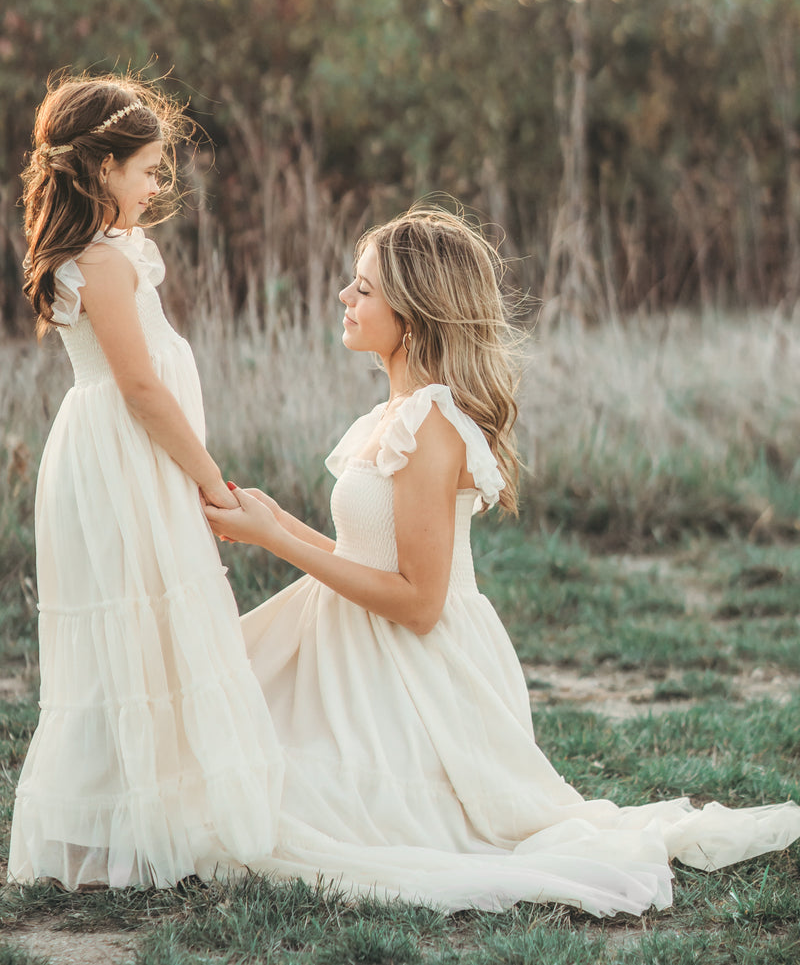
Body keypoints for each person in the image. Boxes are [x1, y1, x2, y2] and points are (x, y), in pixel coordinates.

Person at [205, 207, 800, 918]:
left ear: (414, 310)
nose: (344, 298)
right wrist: (277, 521)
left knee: (294, 814)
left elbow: (420, 602)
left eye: (363, 288)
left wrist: (279, 541)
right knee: (226, 766)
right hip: (358, 654)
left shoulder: (431, 425)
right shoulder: (392, 413)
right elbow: (373, 558)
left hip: (415, 676)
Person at [9, 73, 283, 890]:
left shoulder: (111, 253)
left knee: (148, 628)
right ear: (101, 169)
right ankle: (126, 831)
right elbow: (140, 388)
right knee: (130, 625)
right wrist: (212, 481)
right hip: (126, 460)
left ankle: (150, 812)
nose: (159, 184)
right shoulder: (96, 261)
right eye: (149, 169)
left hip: (122, 457)